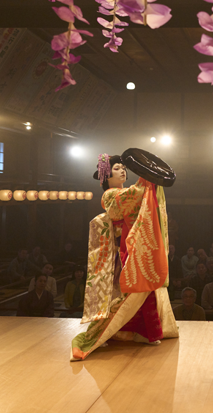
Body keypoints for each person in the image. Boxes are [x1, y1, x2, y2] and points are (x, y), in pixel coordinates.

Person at [71, 153, 178, 361]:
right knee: (128, 291)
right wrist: (147, 176)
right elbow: (135, 195)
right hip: (121, 250)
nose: (123, 171)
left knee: (144, 290)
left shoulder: (127, 192)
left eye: (124, 168)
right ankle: (117, 331)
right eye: (117, 168)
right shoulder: (110, 195)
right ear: (106, 176)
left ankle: (142, 332)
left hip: (133, 245)